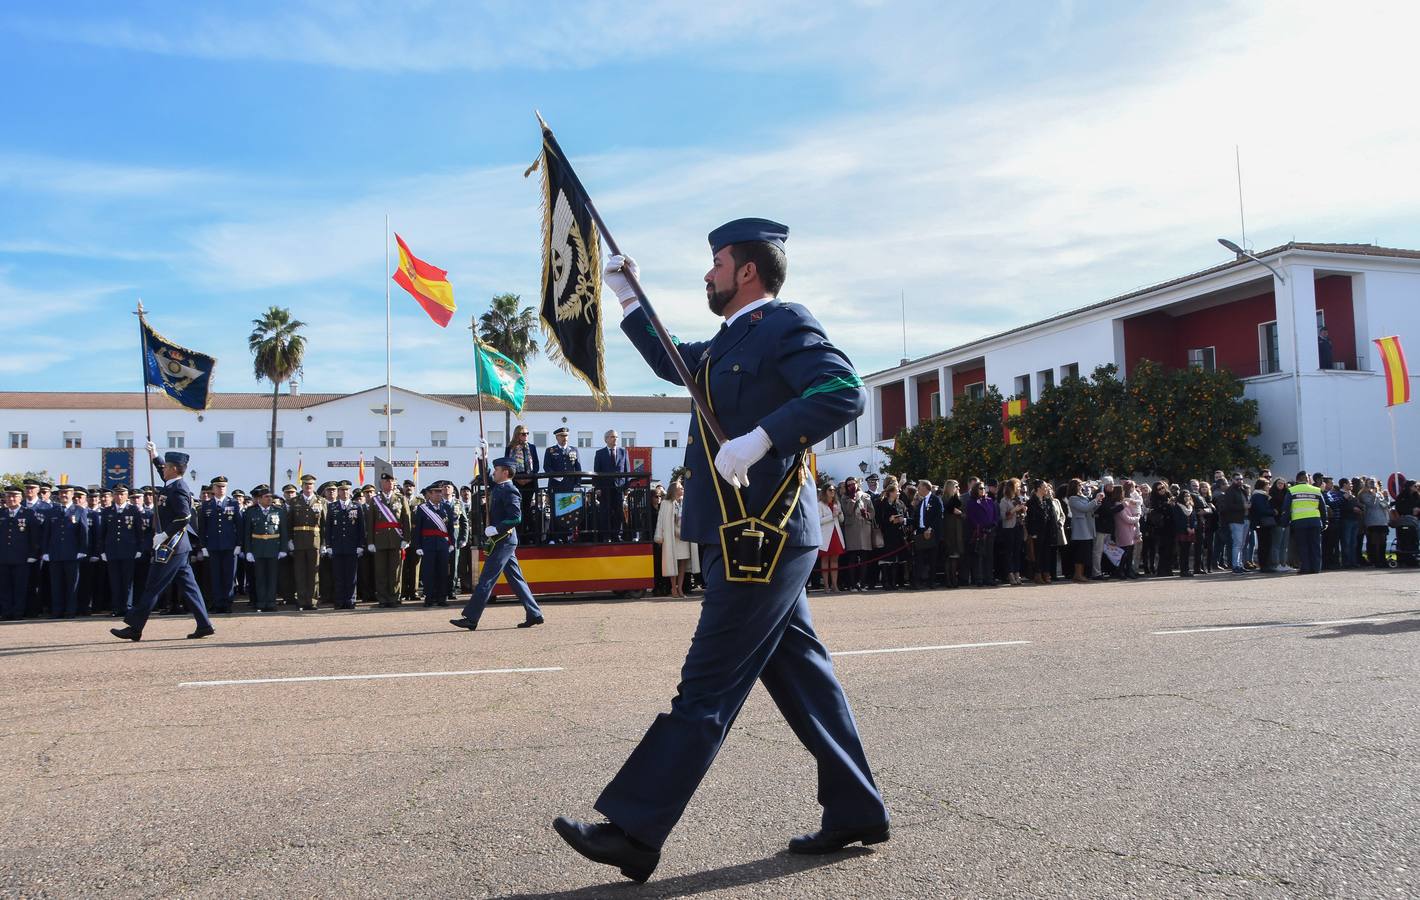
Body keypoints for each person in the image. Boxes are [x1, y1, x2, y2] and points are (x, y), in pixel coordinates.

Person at [552, 219, 888, 884]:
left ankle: (636, 832)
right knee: (805, 681)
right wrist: (628, 296)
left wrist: (764, 437)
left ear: (748, 272)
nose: (708, 274)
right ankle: (857, 810)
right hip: (740, 532)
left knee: (706, 686)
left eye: (717, 264)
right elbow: (674, 360)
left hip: (758, 535)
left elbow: (841, 390)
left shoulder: (785, 325)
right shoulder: (731, 339)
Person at [110, 446, 214, 640]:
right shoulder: (172, 483)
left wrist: (164, 534)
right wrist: (155, 455)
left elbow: (184, 516)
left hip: (171, 546)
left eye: (166, 467)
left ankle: (134, 627)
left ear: (174, 469)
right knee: (190, 587)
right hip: (177, 548)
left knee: (152, 586)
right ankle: (204, 624)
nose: (163, 469)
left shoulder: (178, 489)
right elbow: (161, 472)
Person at [450, 456, 544, 631]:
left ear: (505, 472)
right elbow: (485, 476)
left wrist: (496, 529)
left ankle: (471, 617)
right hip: (504, 541)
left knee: (486, 579)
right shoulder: (500, 487)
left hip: (503, 540)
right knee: (516, 580)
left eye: (497, 470)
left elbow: (516, 517)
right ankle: (534, 613)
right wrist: (481, 457)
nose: (494, 472)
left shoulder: (510, 490)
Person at [194, 475, 242, 614]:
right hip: (213, 546)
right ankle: (217, 603)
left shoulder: (232, 503)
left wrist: (239, 544)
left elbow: (238, 525)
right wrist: (203, 546)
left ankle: (227, 603)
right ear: (213, 488)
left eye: (224, 487)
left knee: (228, 576)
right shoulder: (207, 505)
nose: (221, 489)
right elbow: (202, 528)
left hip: (230, 546)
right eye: (218, 486)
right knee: (215, 576)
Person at [365, 472, 411, 607]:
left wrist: (406, 539)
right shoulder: (375, 500)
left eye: (391, 482)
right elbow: (371, 523)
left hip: (396, 540)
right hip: (380, 540)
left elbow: (406, 520)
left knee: (395, 571)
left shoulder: (400, 498)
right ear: (382, 484)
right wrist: (371, 542)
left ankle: (394, 597)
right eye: (386, 482)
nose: (389, 484)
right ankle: (383, 599)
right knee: (381, 571)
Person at [42, 485, 88, 618]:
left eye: (66, 493)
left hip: (72, 553)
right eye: (61, 492)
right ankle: (57, 610)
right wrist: (45, 551)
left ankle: (70, 610)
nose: (63, 495)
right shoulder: (52, 511)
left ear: (72, 494)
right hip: (55, 553)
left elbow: (83, 532)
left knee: (72, 584)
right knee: (56, 584)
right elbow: (47, 533)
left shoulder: (79, 510)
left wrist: (82, 549)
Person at [242, 485, 287, 611]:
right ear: (260, 499)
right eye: (266, 497)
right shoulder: (251, 512)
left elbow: (283, 531)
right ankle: (261, 602)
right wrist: (248, 551)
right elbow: (247, 533)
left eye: (270, 497)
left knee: (272, 577)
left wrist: (283, 549)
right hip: (258, 548)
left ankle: (271, 602)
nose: (269, 499)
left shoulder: (279, 511)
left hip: (273, 548)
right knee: (260, 577)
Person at [99, 485, 143, 616]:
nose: (119, 497)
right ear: (113, 496)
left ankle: (127, 607)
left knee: (128, 581)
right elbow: (103, 533)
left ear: (126, 495)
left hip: (128, 550)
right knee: (115, 580)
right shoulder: (107, 511)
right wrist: (102, 551)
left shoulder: (133, 510)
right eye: (117, 494)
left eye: (122, 494)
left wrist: (139, 549)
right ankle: (116, 608)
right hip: (112, 550)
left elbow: (138, 532)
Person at [653, 480, 697, 598]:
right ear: (674, 490)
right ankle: (673, 588)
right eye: (680, 488)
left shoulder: (685, 502)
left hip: (684, 537)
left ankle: (680, 589)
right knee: (673, 563)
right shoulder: (666, 503)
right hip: (672, 538)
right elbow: (661, 521)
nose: (682, 489)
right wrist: (660, 535)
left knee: (683, 563)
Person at [0, 485, 39, 619]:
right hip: (3, 557)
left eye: (14, 496)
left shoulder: (29, 513)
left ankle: (18, 612)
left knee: (20, 587)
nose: (11, 499)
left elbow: (35, 536)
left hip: (22, 558)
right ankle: (6, 612)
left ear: (20, 498)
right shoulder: (2, 513)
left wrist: (33, 554)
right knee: (4, 588)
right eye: (8, 496)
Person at [326, 480, 363, 609]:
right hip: (337, 546)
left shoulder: (356, 506)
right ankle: (340, 600)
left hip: (352, 546)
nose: (345, 492)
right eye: (342, 490)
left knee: (351, 576)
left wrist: (360, 545)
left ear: (350, 491)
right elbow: (328, 527)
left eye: (347, 490)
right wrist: (329, 545)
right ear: (338, 492)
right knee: (338, 575)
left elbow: (360, 528)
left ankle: (350, 600)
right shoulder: (332, 507)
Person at [1285, 470, 1326, 574]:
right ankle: (1316, 568)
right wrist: (1325, 522)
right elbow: (1323, 508)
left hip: (1299, 521)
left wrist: (1284, 522)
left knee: (1303, 545)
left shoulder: (1292, 490)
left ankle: (1306, 567)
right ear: (1307, 479)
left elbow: (1286, 507)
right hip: (1315, 521)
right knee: (1315, 545)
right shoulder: (1316, 490)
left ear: (1297, 479)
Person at [594, 429, 630, 542]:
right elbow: (597, 472)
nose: (615, 439)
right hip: (605, 488)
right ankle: (606, 536)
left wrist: (627, 487)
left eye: (616, 437)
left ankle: (616, 536)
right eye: (612, 437)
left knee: (619, 512)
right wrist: (598, 488)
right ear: (606, 439)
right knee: (605, 512)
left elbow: (627, 471)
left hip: (619, 487)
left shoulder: (623, 452)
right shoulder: (600, 453)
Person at [839, 477, 874, 592]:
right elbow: (848, 512)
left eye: (853, 484)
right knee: (852, 558)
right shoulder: (844, 498)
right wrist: (853, 499)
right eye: (848, 485)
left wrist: (867, 514)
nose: (851, 486)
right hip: (851, 529)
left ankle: (863, 583)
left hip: (864, 528)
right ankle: (852, 584)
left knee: (864, 558)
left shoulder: (865, 495)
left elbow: (872, 513)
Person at [507, 425, 541, 541]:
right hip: (516, 482)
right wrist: (517, 478)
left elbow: (536, 465)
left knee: (527, 508)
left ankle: (529, 535)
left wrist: (529, 478)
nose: (526, 435)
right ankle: (518, 535)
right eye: (523, 433)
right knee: (518, 509)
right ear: (517, 435)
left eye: (527, 433)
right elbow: (508, 465)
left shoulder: (532, 447)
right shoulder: (510, 448)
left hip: (530, 482)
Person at [876, 482, 909, 590]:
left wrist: (901, 520)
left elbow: (906, 515)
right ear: (890, 493)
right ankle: (886, 582)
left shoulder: (900, 503)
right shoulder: (882, 503)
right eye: (896, 491)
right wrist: (888, 520)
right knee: (886, 561)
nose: (898, 493)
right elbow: (878, 520)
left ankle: (894, 583)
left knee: (895, 560)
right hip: (886, 535)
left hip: (898, 535)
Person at [998, 478, 1026, 586]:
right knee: (1009, 552)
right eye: (1018, 486)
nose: (1019, 488)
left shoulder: (1018, 499)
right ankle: (1010, 574)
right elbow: (1003, 516)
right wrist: (1015, 509)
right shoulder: (1004, 500)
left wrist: (1024, 510)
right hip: (1009, 528)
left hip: (1019, 527)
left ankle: (1017, 573)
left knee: (1017, 552)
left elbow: (1022, 514)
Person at [818, 483, 845, 591]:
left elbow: (841, 520)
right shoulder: (819, 504)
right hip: (825, 535)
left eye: (834, 490)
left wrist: (840, 513)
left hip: (836, 534)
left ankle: (834, 585)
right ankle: (826, 586)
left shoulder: (837, 503)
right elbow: (818, 521)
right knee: (825, 560)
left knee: (835, 560)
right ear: (825, 491)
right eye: (830, 490)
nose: (833, 492)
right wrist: (831, 516)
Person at [1359, 478, 1391, 568]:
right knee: (1375, 542)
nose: (1373, 484)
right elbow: (1370, 504)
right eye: (1370, 483)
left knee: (1383, 541)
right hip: (1372, 521)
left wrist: (1386, 497)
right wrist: (1373, 495)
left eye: (1374, 482)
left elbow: (1385, 505)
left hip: (1382, 521)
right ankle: (1376, 560)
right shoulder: (1364, 495)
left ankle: (1382, 559)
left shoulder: (1379, 494)